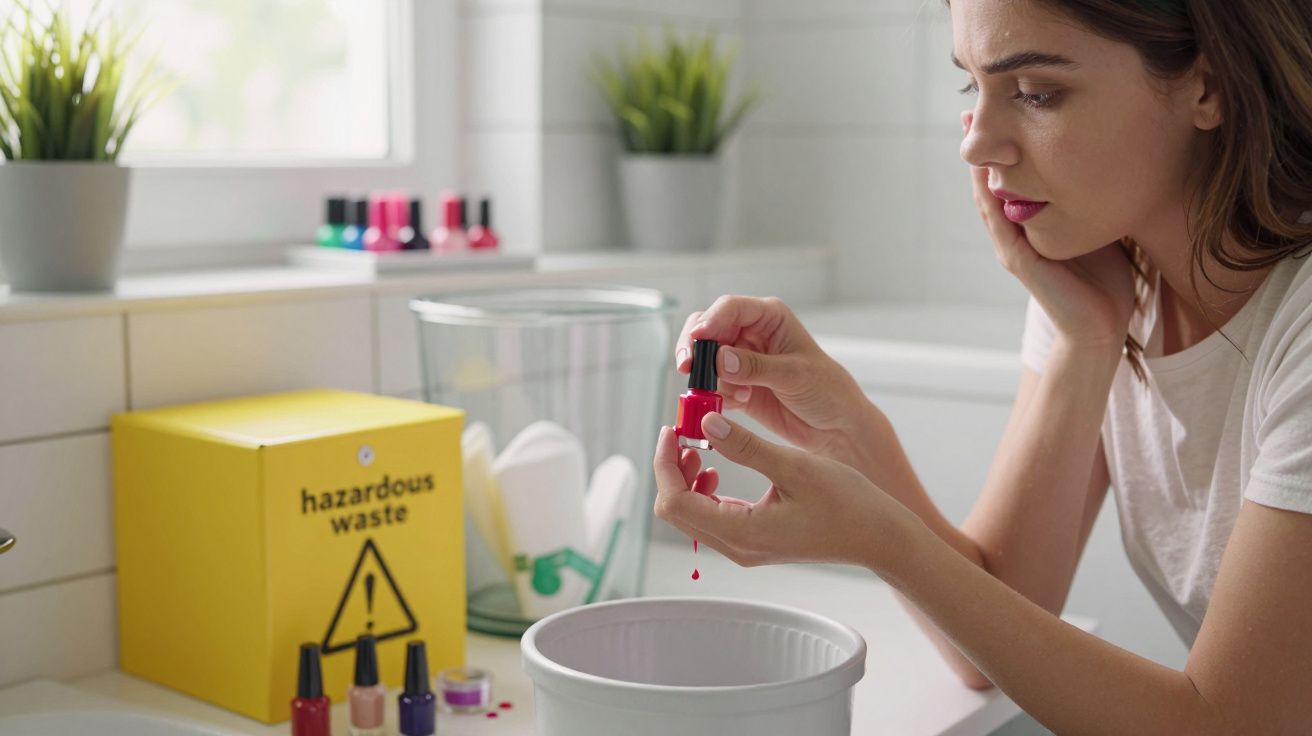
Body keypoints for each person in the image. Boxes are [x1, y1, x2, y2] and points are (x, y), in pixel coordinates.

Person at [652, 0, 1312, 731]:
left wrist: (880, 537)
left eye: (1035, 93)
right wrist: (846, 431)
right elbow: (996, 626)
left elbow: (1229, 724)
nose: (976, 145)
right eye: (973, 87)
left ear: (1209, 86)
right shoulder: (1100, 279)